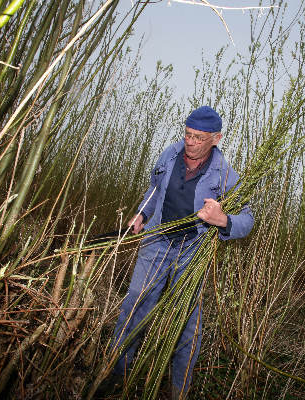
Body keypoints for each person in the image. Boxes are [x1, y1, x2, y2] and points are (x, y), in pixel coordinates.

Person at [106, 106, 254, 398]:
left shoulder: (225, 175)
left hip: (192, 252)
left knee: (187, 323)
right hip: (157, 241)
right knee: (134, 305)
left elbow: (247, 219)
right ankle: (115, 373)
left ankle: (179, 390)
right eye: (187, 134)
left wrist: (223, 221)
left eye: (198, 137)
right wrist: (141, 216)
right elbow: (153, 191)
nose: (190, 141)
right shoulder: (170, 154)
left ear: (216, 139)